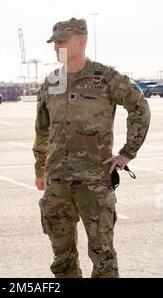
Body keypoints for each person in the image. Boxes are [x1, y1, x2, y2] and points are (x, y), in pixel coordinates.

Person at [33, 18, 151, 278]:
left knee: (103, 255)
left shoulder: (106, 77)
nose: (57, 47)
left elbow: (139, 107)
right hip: (57, 183)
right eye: (54, 42)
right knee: (62, 257)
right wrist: (40, 169)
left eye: (62, 41)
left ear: (81, 41)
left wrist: (127, 152)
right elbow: (42, 129)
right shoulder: (51, 82)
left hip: (94, 182)